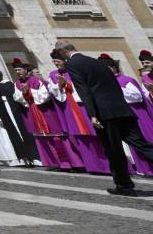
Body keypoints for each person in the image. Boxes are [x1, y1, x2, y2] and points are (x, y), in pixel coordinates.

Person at [54, 40, 153, 196]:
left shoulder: (73, 64)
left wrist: (92, 114)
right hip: (122, 110)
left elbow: (83, 90)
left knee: (114, 150)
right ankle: (124, 184)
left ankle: (124, 185)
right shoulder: (97, 62)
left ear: (63, 52)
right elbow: (114, 85)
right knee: (142, 145)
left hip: (105, 114)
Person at [48, 50, 111, 174]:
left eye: (58, 61)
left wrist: (67, 84)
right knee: (80, 138)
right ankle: (93, 166)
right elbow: (53, 90)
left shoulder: (74, 69)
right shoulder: (53, 74)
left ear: (65, 60)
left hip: (83, 106)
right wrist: (59, 85)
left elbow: (85, 86)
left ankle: (109, 165)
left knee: (96, 135)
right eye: (54, 61)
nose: (56, 64)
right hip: (69, 108)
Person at [12, 60, 79, 170]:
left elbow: (45, 96)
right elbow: (17, 97)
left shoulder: (36, 81)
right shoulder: (17, 84)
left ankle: (70, 163)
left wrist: (29, 92)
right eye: (16, 70)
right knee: (43, 139)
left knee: (57, 137)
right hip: (32, 113)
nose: (18, 72)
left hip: (46, 112)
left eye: (19, 70)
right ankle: (54, 163)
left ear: (25, 70)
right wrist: (24, 93)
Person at [100, 54, 153, 176]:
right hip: (122, 115)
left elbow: (137, 97)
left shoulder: (126, 80)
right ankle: (145, 168)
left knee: (145, 139)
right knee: (134, 143)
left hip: (137, 113)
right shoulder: (107, 82)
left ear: (114, 68)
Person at [0, 68, 38, 165]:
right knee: (12, 134)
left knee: (23, 131)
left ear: (1, 74)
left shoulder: (9, 84)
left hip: (14, 111)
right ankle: (22, 159)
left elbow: (17, 97)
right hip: (5, 113)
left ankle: (33, 157)